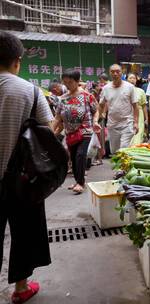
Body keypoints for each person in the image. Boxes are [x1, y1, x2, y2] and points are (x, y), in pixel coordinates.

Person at [0, 30, 55, 304]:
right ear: (17, 60)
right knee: (23, 233)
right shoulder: (29, 90)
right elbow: (47, 130)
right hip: (21, 178)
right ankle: (21, 289)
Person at [53, 68, 100, 194]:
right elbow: (57, 117)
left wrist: (95, 122)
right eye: (65, 82)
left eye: (70, 82)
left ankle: (81, 183)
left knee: (80, 155)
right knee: (73, 157)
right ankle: (77, 180)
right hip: (70, 133)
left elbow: (96, 111)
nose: (67, 85)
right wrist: (51, 132)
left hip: (85, 131)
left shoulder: (87, 96)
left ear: (77, 81)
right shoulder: (62, 98)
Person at [99, 64, 138, 153]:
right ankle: (120, 166)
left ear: (121, 73)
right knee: (115, 151)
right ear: (110, 73)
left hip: (127, 123)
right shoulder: (106, 88)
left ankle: (123, 166)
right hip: (112, 125)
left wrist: (135, 122)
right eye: (113, 72)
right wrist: (97, 118)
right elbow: (101, 105)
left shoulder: (130, 87)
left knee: (123, 149)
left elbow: (135, 106)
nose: (115, 74)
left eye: (118, 71)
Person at [127, 73, 148, 145]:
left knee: (138, 133)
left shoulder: (141, 91)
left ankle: (135, 150)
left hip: (139, 114)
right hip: (127, 113)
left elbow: (144, 106)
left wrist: (146, 119)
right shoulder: (124, 90)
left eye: (134, 78)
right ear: (126, 80)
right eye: (130, 78)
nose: (132, 80)